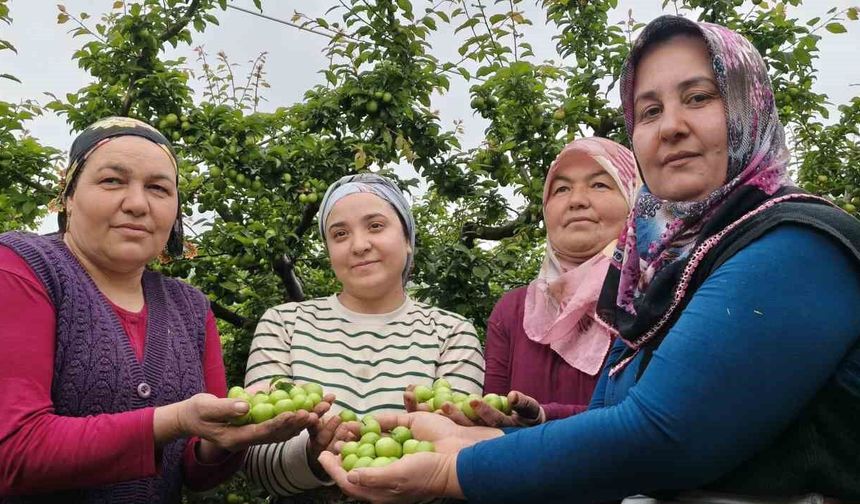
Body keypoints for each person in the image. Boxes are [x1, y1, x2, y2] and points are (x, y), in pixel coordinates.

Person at [318, 15, 860, 503]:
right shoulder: (662, 273)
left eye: (699, 97)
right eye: (649, 110)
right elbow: (609, 420)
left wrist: (453, 468)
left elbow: (661, 436)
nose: (670, 125)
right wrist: (494, 434)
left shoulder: (797, 244)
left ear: (751, 105)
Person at [0, 117, 328, 503]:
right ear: (69, 195)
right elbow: (13, 453)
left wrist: (227, 439)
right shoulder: (21, 268)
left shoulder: (190, 308)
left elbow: (193, 468)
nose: (137, 204)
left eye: (158, 188)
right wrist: (172, 420)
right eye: (112, 181)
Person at [242, 173, 485, 502]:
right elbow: (257, 463)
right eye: (340, 234)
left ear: (408, 238)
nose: (359, 245)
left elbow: (457, 457)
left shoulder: (452, 333)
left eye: (376, 226)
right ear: (328, 250)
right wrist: (313, 454)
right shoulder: (284, 324)